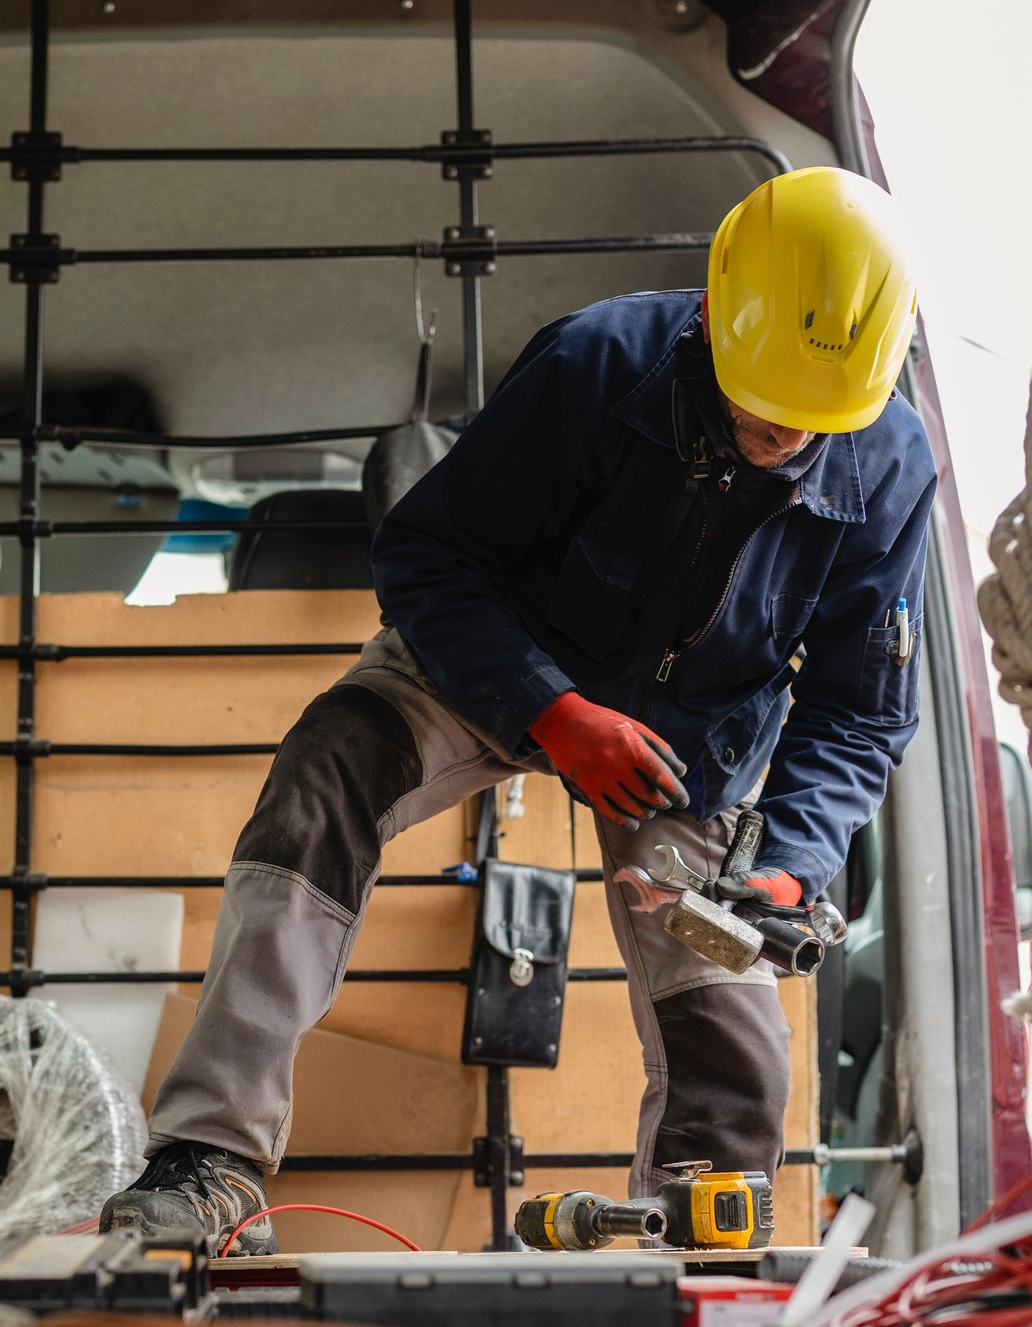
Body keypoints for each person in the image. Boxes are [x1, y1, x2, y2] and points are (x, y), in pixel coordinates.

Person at [102, 167, 934, 1254]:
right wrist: (549, 712)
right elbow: (427, 555)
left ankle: (702, 1243)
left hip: (692, 745)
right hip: (499, 660)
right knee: (331, 763)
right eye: (757, 408)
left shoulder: (892, 466)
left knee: (727, 1008)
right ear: (718, 319)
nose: (778, 438)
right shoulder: (597, 363)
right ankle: (209, 1160)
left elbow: (858, 711)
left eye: (809, 425)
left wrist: (789, 861)